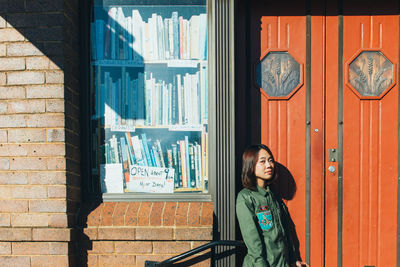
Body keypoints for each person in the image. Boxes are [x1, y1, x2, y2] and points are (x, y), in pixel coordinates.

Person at [236, 144, 309, 267]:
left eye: (270, 160)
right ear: (251, 165)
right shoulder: (246, 197)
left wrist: (292, 260)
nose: (269, 165)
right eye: (262, 161)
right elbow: (253, 243)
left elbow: (285, 233)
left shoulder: (274, 197)